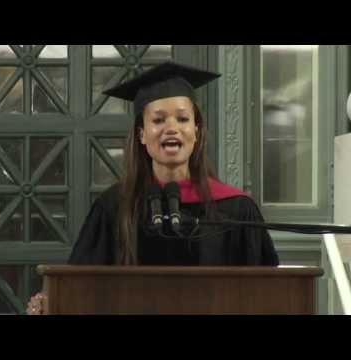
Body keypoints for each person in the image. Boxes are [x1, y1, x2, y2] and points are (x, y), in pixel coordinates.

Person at [27, 61, 279, 314]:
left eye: (182, 119)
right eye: (158, 120)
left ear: (197, 131)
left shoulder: (235, 209)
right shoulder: (114, 207)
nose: (171, 128)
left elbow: (265, 292)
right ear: (142, 134)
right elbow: (79, 286)